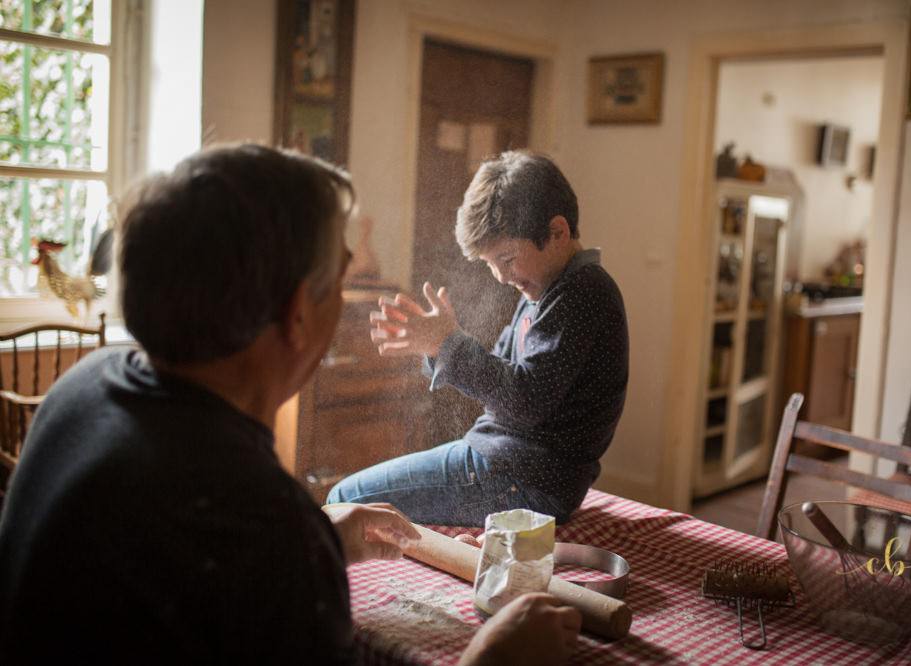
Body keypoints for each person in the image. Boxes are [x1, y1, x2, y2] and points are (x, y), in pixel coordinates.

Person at [0, 144, 580, 664]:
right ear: (300, 312)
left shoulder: (80, 391)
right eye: (341, 274)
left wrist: (321, 538)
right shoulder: (258, 524)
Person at [329, 150, 629, 526]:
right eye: (490, 265)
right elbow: (500, 378)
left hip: (522, 480)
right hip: (515, 469)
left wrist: (447, 344)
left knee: (343, 502)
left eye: (506, 259)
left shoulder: (581, 293)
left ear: (557, 232)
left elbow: (523, 400)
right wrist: (435, 344)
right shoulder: (543, 290)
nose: (501, 278)